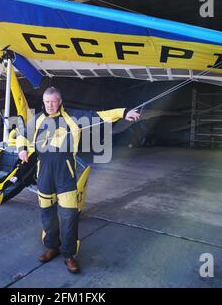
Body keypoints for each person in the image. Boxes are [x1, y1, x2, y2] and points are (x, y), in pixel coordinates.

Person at [17, 87, 140, 273]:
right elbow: (22, 135)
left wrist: (123, 112)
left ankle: (68, 255)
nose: (50, 105)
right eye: (46, 101)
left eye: (53, 101)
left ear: (60, 101)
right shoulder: (37, 120)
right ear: (43, 102)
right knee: (47, 215)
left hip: (65, 177)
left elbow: (101, 116)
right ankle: (51, 247)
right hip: (44, 176)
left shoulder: (73, 117)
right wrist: (22, 149)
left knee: (69, 218)